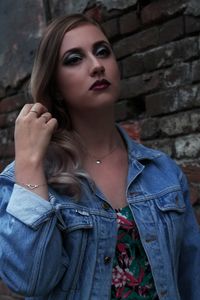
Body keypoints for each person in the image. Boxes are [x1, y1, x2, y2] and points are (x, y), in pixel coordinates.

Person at [0, 13, 199, 300]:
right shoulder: (22, 177)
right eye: (74, 59)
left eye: (102, 52)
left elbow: (192, 279)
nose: (96, 66)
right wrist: (30, 165)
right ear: (55, 85)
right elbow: (28, 280)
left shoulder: (163, 171)